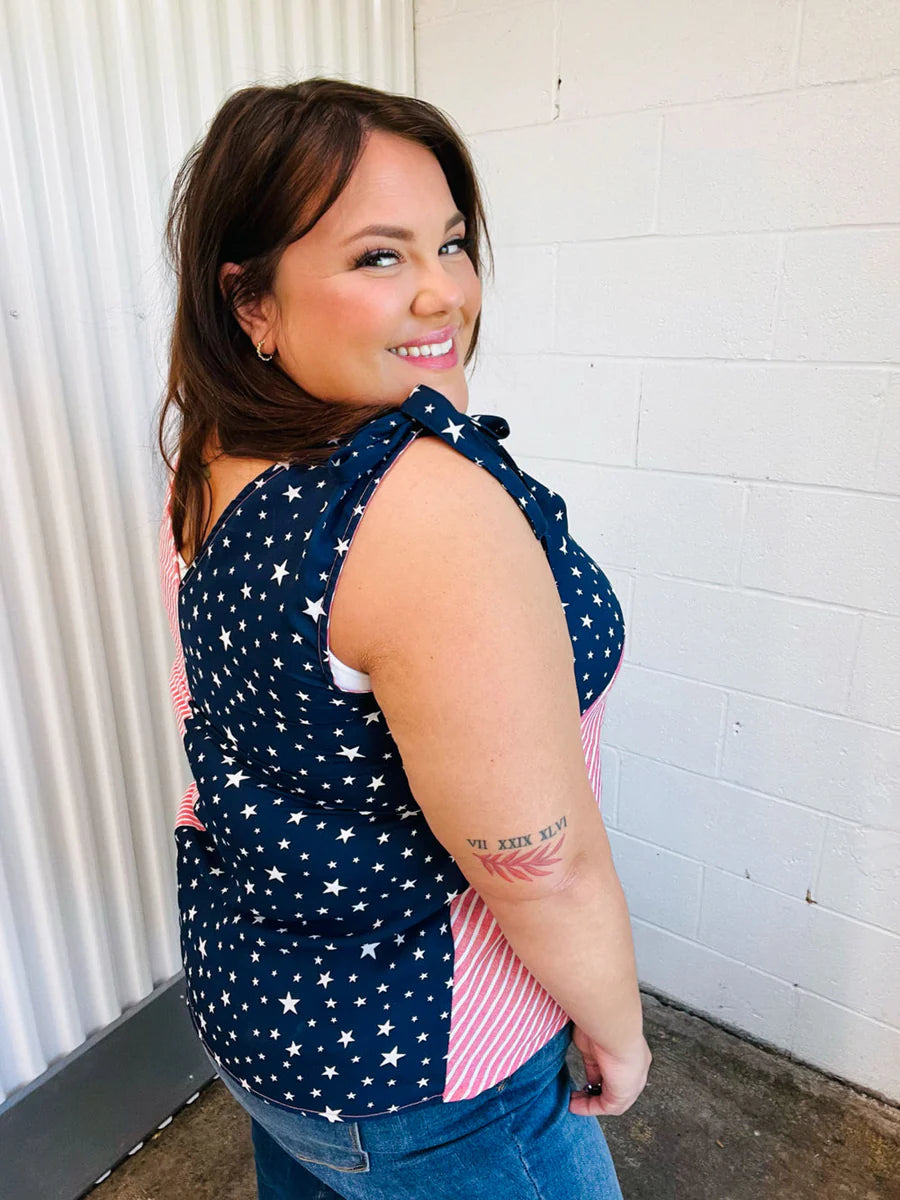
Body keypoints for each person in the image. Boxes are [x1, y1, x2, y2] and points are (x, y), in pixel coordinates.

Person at [157, 76, 650, 1200]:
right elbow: (543, 868)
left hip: (267, 1016)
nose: (444, 294)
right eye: (380, 256)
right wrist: (617, 1026)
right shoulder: (422, 511)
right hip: (436, 1069)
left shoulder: (214, 452)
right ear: (251, 301)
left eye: (452, 244)